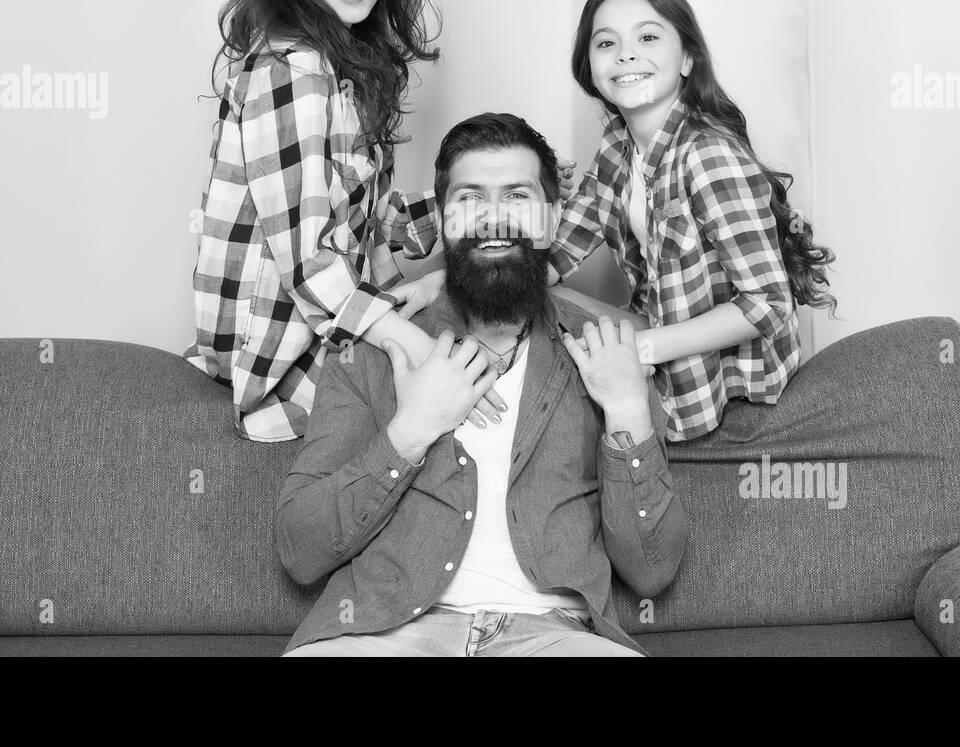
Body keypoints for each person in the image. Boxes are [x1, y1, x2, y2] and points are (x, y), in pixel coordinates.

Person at [182, 0, 574, 441]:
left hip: (335, 327)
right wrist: (413, 346)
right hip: (277, 360)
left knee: (509, 332)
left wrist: (481, 201)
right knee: (473, 388)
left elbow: (361, 221)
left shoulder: (341, 70)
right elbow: (312, 264)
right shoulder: (292, 72)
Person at [277, 113, 687, 656]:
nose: (493, 218)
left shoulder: (603, 351)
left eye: (517, 196)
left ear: (551, 217)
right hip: (382, 633)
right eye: (470, 199)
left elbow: (652, 569)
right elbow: (299, 550)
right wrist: (410, 433)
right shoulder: (373, 350)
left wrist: (630, 415)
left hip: (553, 636)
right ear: (445, 219)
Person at [547, 0, 838, 442]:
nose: (625, 54)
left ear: (687, 58)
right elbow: (560, 252)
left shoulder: (707, 154)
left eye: (647, 37)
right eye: (606, 43)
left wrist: (642, 350)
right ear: (590, 67)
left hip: (723, 386)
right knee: (534, 313)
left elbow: (768, 304)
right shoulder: (616, 145)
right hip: (657, 330)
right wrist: (448, 281)